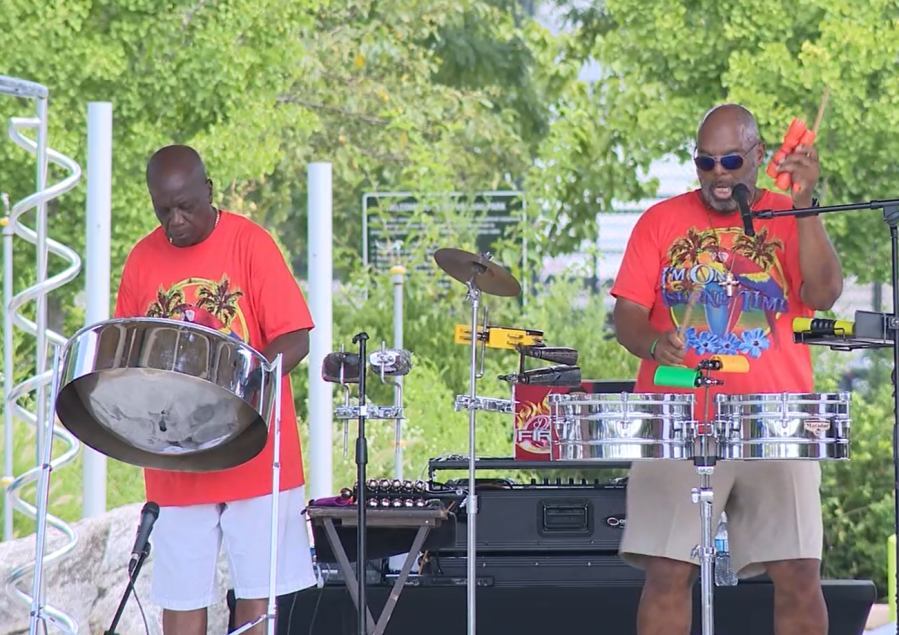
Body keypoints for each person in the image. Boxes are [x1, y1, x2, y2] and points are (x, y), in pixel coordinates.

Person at [610, 104, 843, 635]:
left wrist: (805, 206)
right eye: (706, 162)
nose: (718, 174)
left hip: (776, 419)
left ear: (758, 155)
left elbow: (825, 293)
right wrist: (654, 344)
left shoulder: (787, 214)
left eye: (732, 161)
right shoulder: (659, 221)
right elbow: (626, 316)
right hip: (678, 418)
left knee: (799, 574)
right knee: (667, 573)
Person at [114, 145, 317, 635]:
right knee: (181, 597)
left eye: (185, 207)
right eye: (163, 210)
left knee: (258, 599)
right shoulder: (142, 259)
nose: (175, 221)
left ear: (208, 190)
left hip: (253, 450)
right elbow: (125, 357)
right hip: (177, 457)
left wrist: (240, 393)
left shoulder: (251, 244)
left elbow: (295, 338)